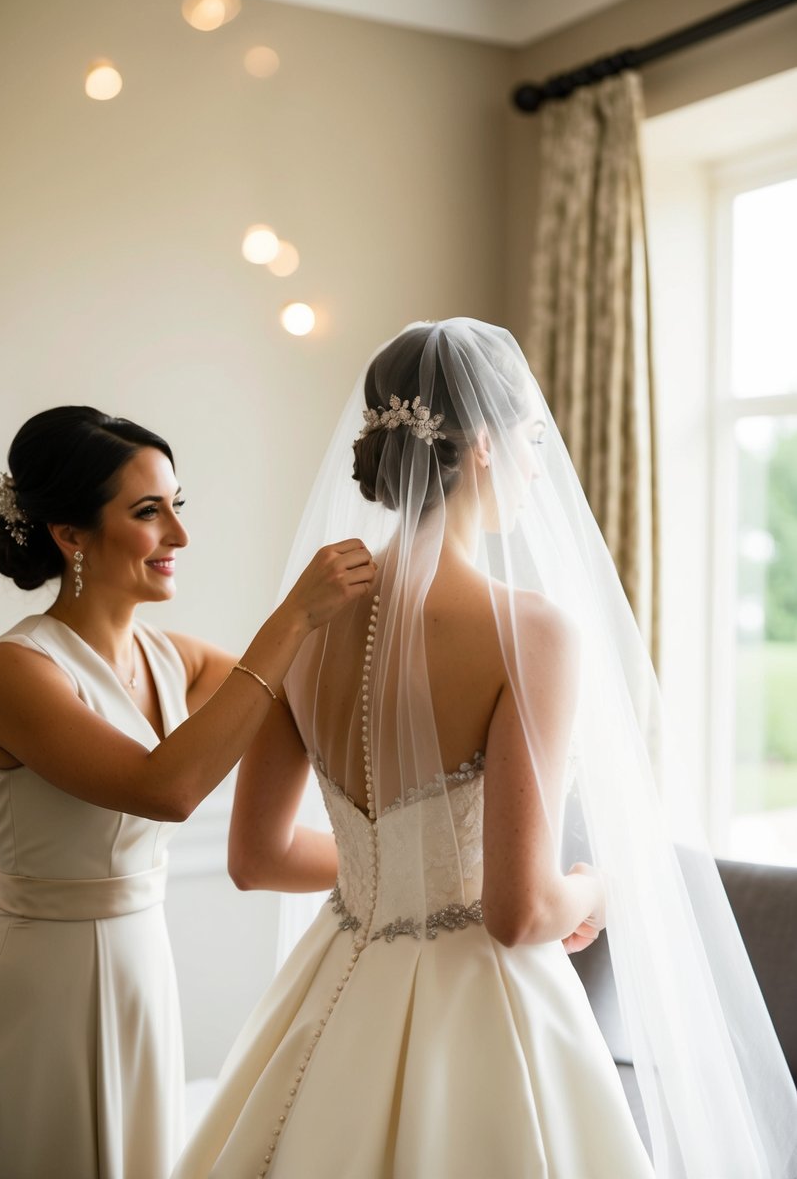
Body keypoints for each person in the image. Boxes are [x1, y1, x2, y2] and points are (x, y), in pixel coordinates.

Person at [172, 320, 797, 1179]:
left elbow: (255, 857)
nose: (540, 466)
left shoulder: (305, 619)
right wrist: (602, 885)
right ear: (486, 448)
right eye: (534, 438)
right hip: (481, 1010)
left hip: (336, 984)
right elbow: (517, 914)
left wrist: (389, 876)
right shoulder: (529, 633)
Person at [0, 405, 374, 1179]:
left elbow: (304, 706)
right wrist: (292, 615)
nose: (179, 537)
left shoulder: (173, 658)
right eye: (149, 512)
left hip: (141, 968)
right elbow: (168, 788)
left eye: (176, 507)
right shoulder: (11, 672)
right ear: (71, 535)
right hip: (40, 986)